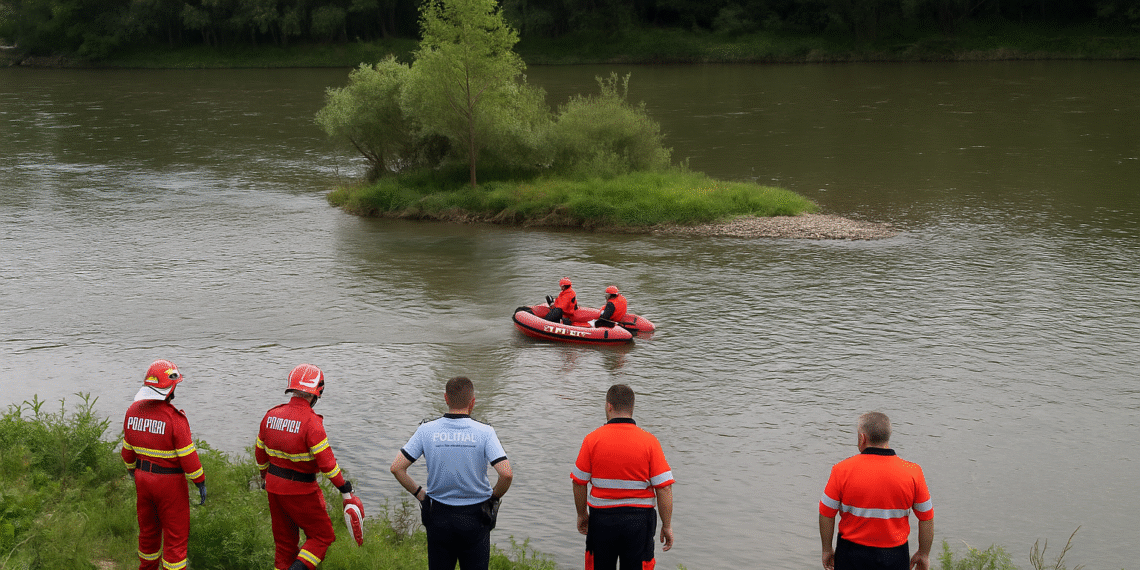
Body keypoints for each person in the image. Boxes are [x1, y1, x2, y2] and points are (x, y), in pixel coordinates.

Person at [390, 376, 513, 570]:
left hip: (438, 515)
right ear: (473, 402)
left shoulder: (426, 430)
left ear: (446, 398)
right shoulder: (485, 432)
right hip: (476, 517)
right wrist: (493, 498)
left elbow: (397, 468)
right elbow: (506, 474)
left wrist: (420, 494)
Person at [256, 364, 364, 570]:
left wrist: (264, 477)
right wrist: (344, 488)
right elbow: (327, 464)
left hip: (273, 486)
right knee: (322, 537)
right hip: (301, 491)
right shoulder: (312, 423)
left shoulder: (271, 415)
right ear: (317, 392)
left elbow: (260, 453)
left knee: (285, 544)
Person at [571, 384, 675, 570]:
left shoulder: (592, 439)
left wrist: (581, 514)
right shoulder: (650, 442)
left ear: (608, 406)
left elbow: (579, 482)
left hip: (601, 520)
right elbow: (664, 487)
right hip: (639, 522)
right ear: (632, 408)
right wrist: (667, 525)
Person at [120, 359, 207, 570]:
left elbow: (127, 453)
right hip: (170, 484)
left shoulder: (132, 411)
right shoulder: (174, 418)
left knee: (148, 533)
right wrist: (200, 482)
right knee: (175, 537)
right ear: (169, 388)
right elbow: (189, 459)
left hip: (143, 480)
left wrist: (133, 473)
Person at [818, 412, 934, 570]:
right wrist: (923, 553)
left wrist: (827, 549)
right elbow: (926, 517)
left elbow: (826, 513)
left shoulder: (841, 470)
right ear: (888, 436)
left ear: (862, 437)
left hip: (851, 554)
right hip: (895, 556)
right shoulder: (913, 472)